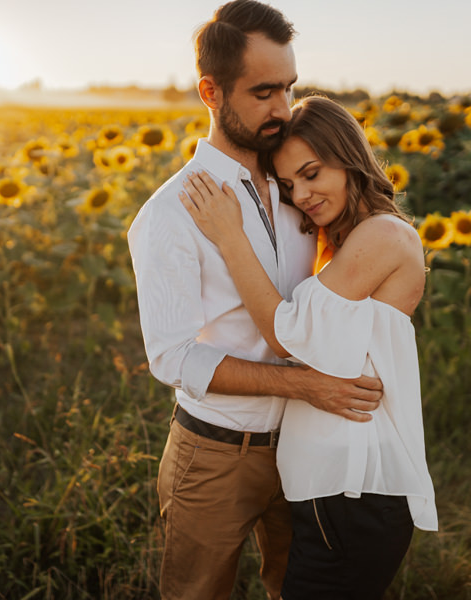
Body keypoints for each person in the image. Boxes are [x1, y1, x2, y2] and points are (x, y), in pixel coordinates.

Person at [127, 2, 384, 599]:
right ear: (211, 92)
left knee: (299, 589)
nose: (282, 109)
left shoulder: (301, 185)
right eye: (263, 91)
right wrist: (304, 385)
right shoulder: (169, 215)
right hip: (217, 454)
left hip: (307, 445)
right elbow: (172, 359)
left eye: (288, 88)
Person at [179, 94, 439, 599]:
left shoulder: (383, 234)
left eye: (313, 173)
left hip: (352, 494)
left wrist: (231, 237)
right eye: (290, 184)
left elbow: (288, 330)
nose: (302, 194)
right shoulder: (346, 242)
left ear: (349, 158)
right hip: (335, 495)